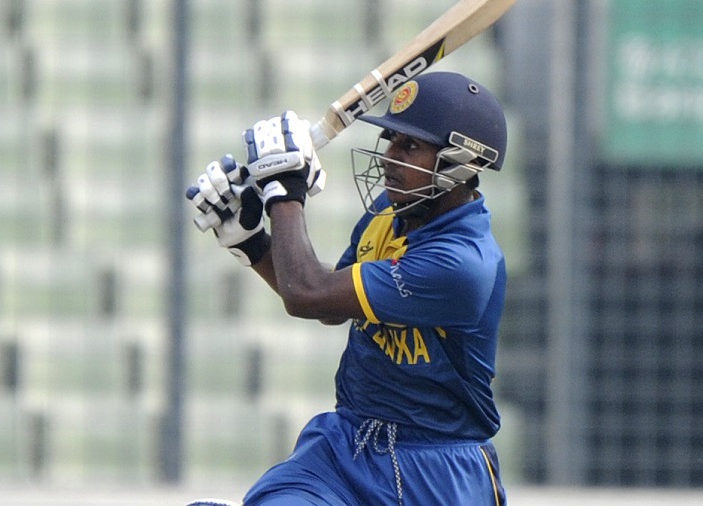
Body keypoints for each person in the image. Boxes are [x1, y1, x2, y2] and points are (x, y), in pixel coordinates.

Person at [186, 71, 509, 506]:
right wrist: (253, 242)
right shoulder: (389, 212)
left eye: (410, 146)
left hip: (436, 472)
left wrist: (283, 191)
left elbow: (306, 293)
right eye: (392, 139)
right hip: (346, 446)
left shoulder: (462, 264)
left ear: (461, 163)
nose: (390, 157)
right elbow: (328, 303)